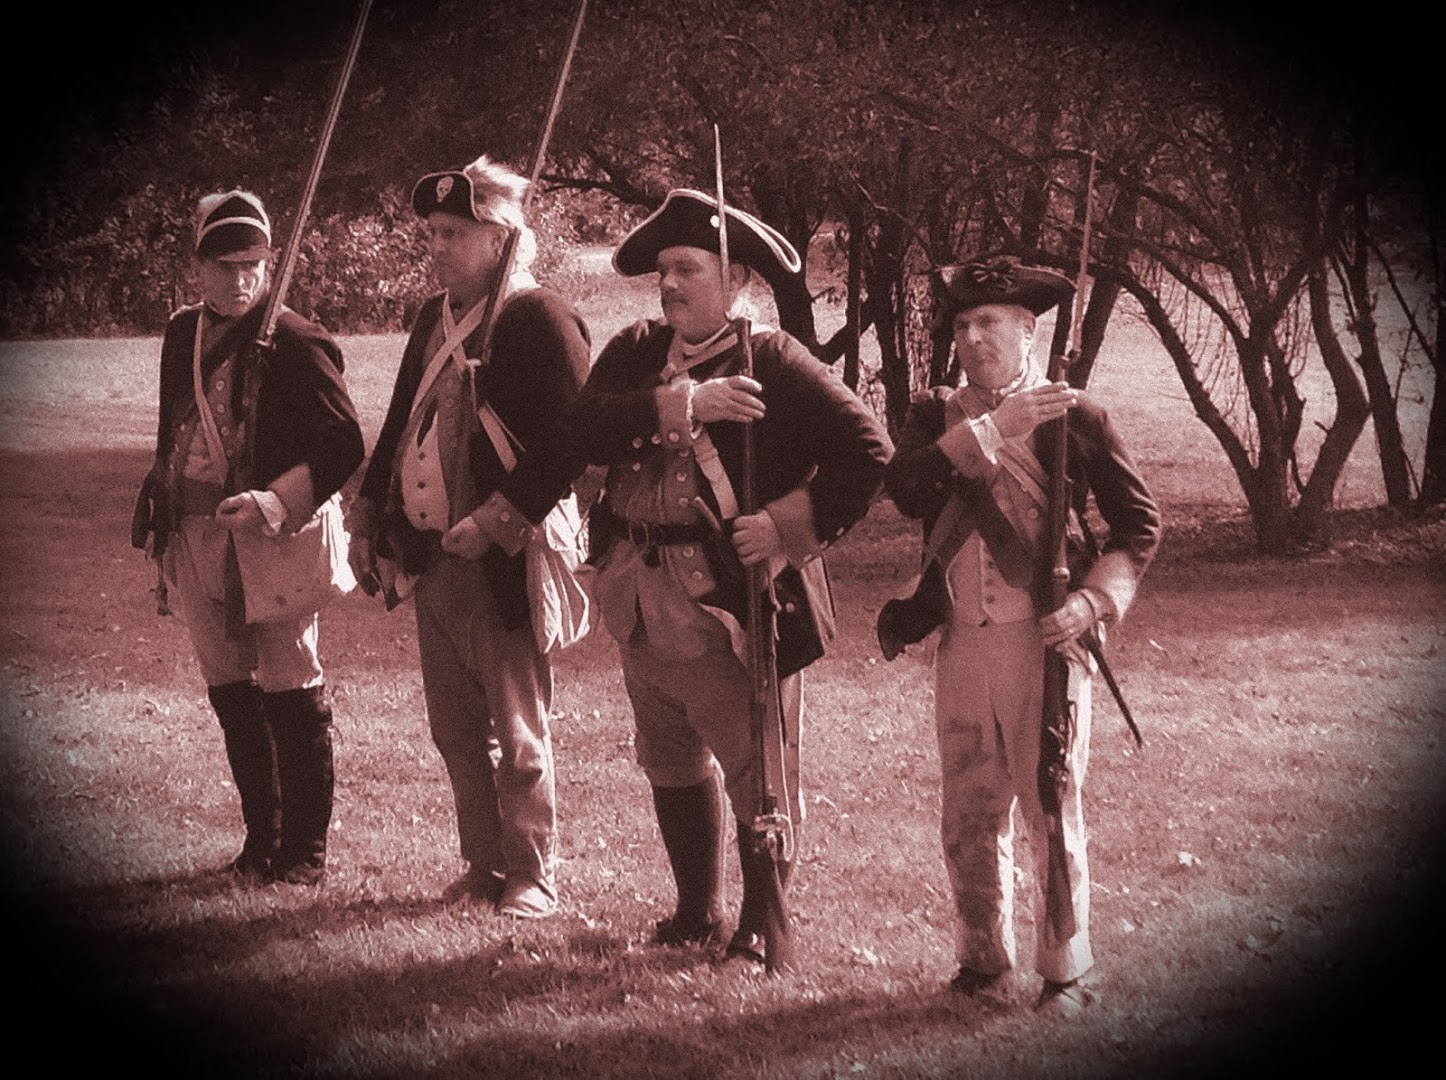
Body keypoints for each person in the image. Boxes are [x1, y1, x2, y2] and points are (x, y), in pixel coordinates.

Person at [571, 189, 893, 961]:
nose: (669, 284)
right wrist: (687, 403)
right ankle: (695, 911)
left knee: (758, 771)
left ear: (736, 280)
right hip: (639, 596)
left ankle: (760, 924)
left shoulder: (774, 361)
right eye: (664, 270)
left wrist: (784, 526)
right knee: (668, 758)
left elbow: (869, 451)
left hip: (733, 604)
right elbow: (580, 428)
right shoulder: (637, 351)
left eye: (688, 268)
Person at [880, 254, 1161, 1013]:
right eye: (961, 325)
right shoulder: (934, 415)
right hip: (962, 640)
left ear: (1027, 331)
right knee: (968, 811)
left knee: (1050, 802)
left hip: (1045, 640)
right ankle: (981, 961)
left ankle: (1065, 969)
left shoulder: (1076, 416)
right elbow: (905, 489)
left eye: (989, 323)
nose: (971, 338)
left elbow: (1139, 526)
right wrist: (992, 430)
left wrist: (1094, 603)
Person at [347, 155, 590, 919]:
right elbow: (400, 419)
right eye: (434, 232)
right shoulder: (435, 316)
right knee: (456, 731)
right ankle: (484, 864)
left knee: (518, 733)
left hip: (504, 558)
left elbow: (573, 443)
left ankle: (532, 873)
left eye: (455, 232)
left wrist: (500, 519)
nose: (438, 247)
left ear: (501, 237)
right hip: (431, 556)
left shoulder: (537, 317)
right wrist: (368, 511)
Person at [135, 189, 365, 885]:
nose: (240, 279)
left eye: (252, 265)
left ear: (270, 263)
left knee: (292, 687)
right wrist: (162, 510)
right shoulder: (183, 333)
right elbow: (174, 426)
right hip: (197, 533)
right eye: (224, 266)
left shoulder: (296, 337)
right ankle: (260, 841)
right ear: (197, 267)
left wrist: (274, 499)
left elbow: (344, 444)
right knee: (231, 689)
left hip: (275, 536)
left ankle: (305, 853)